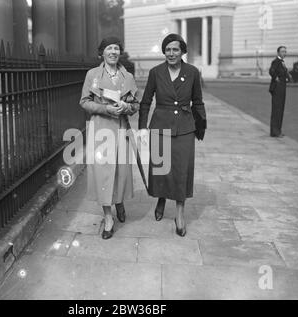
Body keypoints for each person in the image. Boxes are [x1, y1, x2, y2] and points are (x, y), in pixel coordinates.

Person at [139, 34, 207, 237]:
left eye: (175, 49)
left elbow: (198, 100)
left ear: (182, 51)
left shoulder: (193, 72)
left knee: (181, 170)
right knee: (161, 169)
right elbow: (145, 101)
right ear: (164, 52)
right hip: (160, 125)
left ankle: (179, 213)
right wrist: (143, 128)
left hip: (185, 127)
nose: (171, 53)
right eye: (167, 50)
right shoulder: (155, 72)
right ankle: (161, 198)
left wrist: (201, 124)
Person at [80, 37, 140, 240]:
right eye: (109, 48)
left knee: (121, 171)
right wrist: (105, 108)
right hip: (101, 130)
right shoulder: (93, 75)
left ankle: (120, 201)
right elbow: (84, 102)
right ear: (102, 53)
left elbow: (136, 104)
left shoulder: (128, 76)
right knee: (103, 173)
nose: (113, 51)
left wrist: (128, 107)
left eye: (116, 48)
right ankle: (108, 217)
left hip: (121, 129)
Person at [269, 46, 292, 138]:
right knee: (276, 110)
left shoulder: (282, 62)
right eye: (282, 51)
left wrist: (287, 78)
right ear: (278, 53)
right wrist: (276, 78)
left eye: (285, 51)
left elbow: (283, 73)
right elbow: (271, 71)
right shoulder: (276, 62)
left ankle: (278, 130)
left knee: (280, 109)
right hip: (277, 89)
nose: (284, 53)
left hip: (282, 88)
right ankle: (275, 131)